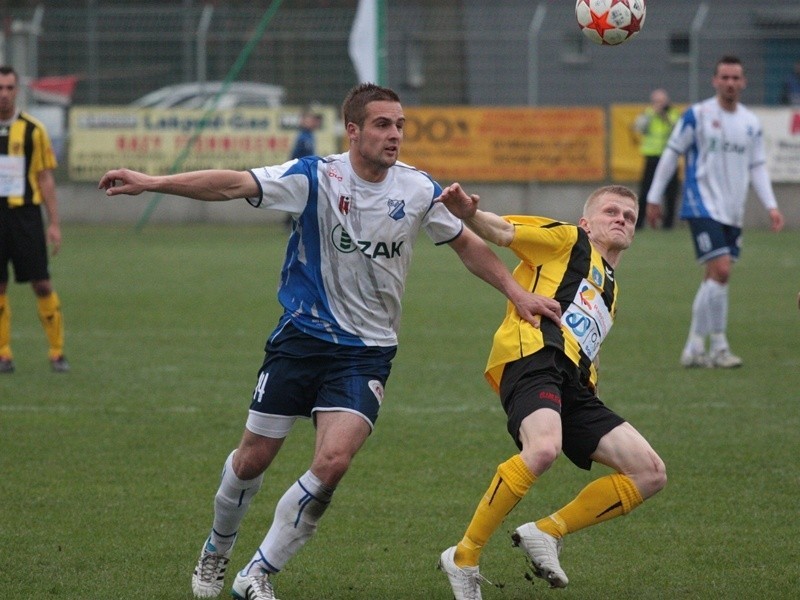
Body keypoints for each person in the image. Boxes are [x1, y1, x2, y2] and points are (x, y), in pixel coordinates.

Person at [98, 83, 562, 600]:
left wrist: (517, 292)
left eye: (400, 124)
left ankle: (257, 575)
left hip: (367, 353)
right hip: (301, 338)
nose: (394, 135)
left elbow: (467, 244)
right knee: (253, 459)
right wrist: (152, 181)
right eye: (383, 124)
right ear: (354, 130)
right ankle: (216, 549)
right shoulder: (314, 177)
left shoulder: (417, 190)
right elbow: (230, 184)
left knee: (333, 462)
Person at [434, 183, 666, 599]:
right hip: (533, 354)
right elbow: (504, 232)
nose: (621, 220)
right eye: (611, 212)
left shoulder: (611, 289)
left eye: (629, 217)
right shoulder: (568, 239)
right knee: (542, 449)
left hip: (574, 383)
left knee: (649, 472)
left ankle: (547, 532)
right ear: (586, 222)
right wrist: (468, 213)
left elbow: (589, 345)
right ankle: (464, 556)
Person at [646, 55, 784, 369]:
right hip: (701, 204)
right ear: (715, 80)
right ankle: (719, 345)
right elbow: (671, 154)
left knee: (714, 277)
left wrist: (772, 205)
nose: (730, 83)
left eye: (736, 78)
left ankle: (694, 347)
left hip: (732, 211)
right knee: (721, 271)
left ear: (743, 82)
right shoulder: (698, 115)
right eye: (725, 77)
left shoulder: (750, 122)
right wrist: (654, 198)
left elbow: (758, 166)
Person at [0, 65, 69, 374]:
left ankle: (57, 353)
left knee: (41, 283)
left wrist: (53, 223)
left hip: (26, 216)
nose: (4, 94)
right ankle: (4, 354)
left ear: (17, 91)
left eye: (9, 88)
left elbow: (45, 179)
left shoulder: (33, 130)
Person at [631, 88, 680, 229]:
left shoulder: (673, 114)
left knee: (671, 192)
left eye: (661, 101)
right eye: (656, 101)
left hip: (669, 157)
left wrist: (663, 115)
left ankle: (668, 224)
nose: (658, 104)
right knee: (645, 190)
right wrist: (652, 114)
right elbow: (639, 127)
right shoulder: (648, 113)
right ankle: (639, 223)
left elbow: (676, 129)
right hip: (652, 156)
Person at [283, 106, 322, 230]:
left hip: (307, 171)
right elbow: (295, 155)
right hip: (300, 171)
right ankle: (289, 221)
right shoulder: (303, 137)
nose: (313, 122)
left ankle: (289, 221)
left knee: (301, 197)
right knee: (299, 197)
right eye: (309, 119)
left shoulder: (310, 136)